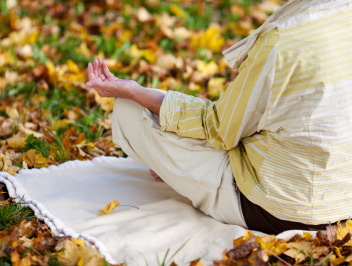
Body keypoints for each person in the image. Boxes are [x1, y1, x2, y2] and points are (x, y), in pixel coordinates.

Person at [86, 0, 352, 234]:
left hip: (280, 210)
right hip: (344, 205)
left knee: (130, 109)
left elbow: (220, 129)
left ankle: (175, 167)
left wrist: (135, 92)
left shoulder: (283, 37)